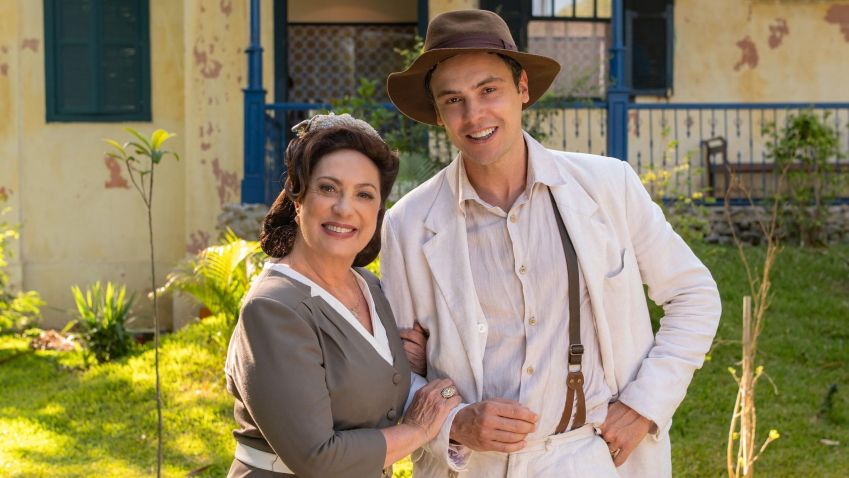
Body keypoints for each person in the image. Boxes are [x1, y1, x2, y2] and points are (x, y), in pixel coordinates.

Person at [380, 9, 721, 478]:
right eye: (453, 100)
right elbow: (396, 375)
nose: (474, 114)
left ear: (522, 89)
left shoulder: (607, 187)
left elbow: (694, 296)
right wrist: (456, 424)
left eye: (488, 90)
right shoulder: (408, 225)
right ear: (438, 115)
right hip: (473, 467)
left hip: (590, 457)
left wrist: (644, 405)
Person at [224, 113, 461, 478]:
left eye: (364, 194)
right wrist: (418, 429)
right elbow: (319, 457)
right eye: (328, 188)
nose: (344, 208)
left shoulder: (372, 288)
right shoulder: (273, 308)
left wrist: (410, 363)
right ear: (298, 197)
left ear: (377, 209)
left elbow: (367, 381)